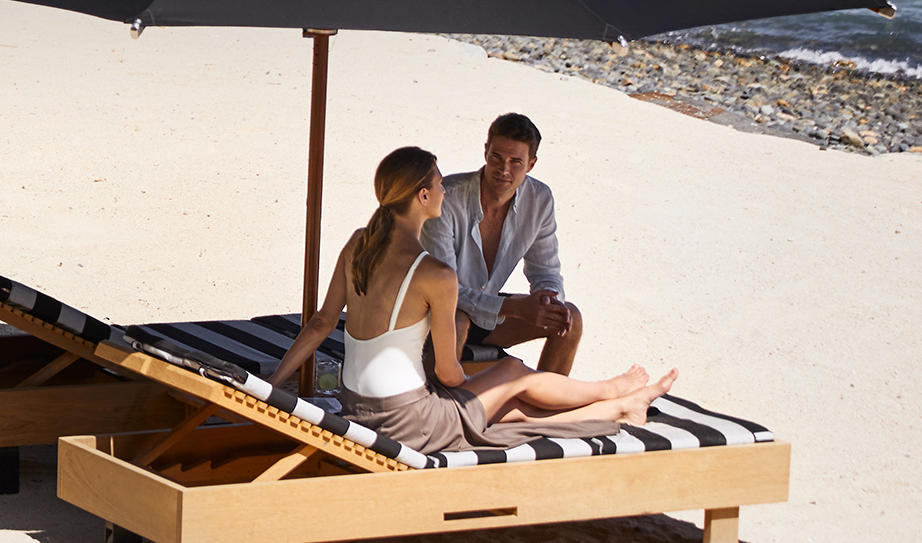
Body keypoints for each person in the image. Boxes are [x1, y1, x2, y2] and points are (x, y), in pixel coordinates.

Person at [269, 146, 675, 456]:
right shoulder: (434, 274)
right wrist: (474, 389)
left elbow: (321, 323)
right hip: (409, 422)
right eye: (439, 184)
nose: (445, 190)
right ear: (423, 196)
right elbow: (447, 373)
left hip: (356, 406)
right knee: (513, 374)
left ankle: (621, 406)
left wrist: (272, 385)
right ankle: (611, 391)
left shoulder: (359, 242)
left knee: (507, 405)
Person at [424, 113, 580, 375]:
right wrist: (512, 307)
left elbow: (546, 270)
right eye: (497, 157)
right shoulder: (447, 198)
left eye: (515, 162)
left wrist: (548, 300)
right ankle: (436, 397)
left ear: (531, 164)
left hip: (487, 313)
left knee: (569, 319)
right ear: (485, 151)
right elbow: (443, 290)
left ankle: (546, 397)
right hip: (435, 312)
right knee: (457, 321)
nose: (503, 169)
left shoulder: (539, 199)